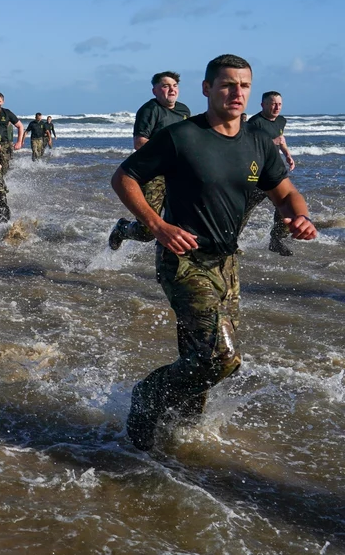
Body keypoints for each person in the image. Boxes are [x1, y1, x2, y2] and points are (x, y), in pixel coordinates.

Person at [111, 54, 317, 452]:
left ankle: (179, 431)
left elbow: (286, 192)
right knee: (222, 358)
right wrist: (157, 225)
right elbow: (124, 177)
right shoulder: (182, 136)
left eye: (243, 85)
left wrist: (301, 216)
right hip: (185, 260)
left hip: (228, 264)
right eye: (226, 84)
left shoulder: (258, 141)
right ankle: (146, 396)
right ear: (207, 89)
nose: (236, 92)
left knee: (198, 356)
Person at [109, 72, 191, 250]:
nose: (171, 89)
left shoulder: (184, 111)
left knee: (182, 219)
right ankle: (122, 228)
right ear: (155, 90)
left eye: (175, 85)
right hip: (153, 173)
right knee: (147, 230)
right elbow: (140, 143)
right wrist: (168, 154)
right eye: (165, 85)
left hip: (177, 173)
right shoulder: (150, 110)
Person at [242, 91, 297, 256]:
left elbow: (281, 138)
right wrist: (272, 142)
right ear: (263, 105)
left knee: (285, 206)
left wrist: (287, 155)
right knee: (243, 211)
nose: (277, 107)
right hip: (257, 175)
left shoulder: (281, 120)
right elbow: (247, 148)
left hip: (274, 174)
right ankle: (230, 242)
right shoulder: (254, 123)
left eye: (279, 104)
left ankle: (276, 240)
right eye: (273, 104)